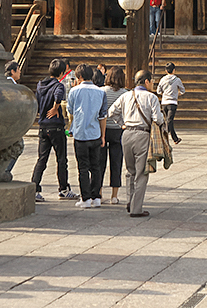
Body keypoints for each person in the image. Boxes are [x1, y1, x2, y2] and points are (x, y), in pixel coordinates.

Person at [107, 70, 164, 218]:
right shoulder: (151, 97)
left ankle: (130, 201)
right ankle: (136, 208)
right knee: (141, 173)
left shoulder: (125, 95)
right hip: (142, 135)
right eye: (151, 81)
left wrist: (122, 124)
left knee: (129, 171)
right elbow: (158, 118)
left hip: (126, 134)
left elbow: (111, 112)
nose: (152, 84)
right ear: (146, 82)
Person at [30, 59, 74, 202]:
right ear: (61, 73)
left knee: (42, 159)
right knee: (61, 159)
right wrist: (55, 107)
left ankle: (34, 187)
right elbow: (58, 96)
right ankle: (63, 189)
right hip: (55, 125)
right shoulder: (58, 85)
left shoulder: (40, 85)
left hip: (43, 125)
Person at [66, 64, 106, 208]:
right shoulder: (101, 92)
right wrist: (103, 135)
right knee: (96, 166)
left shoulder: (74, 91)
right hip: (95, 132)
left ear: (79, 77)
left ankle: (86, 198)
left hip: (80, 133)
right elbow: (103, 115)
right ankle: (96, 196)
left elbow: (70, 109)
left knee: (83, 167)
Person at [100, 66, 128, 205]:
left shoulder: (101, 91)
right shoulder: (126, 93)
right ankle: (114, 195)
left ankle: (98, 192)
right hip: (118, 129)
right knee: (116, 163)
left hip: (103, 130)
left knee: (100, 163)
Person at [156, 62, 183, 144]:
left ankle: (174, 138)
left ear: (166, 70)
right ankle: (165, 136)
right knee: (169, 120)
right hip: (173, 102)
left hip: (164, 102)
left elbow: (158, 91)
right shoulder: (177, 80)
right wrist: (177, 94)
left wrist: (164, 94)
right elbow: (183, 90)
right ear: (174, 70)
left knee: (168, 120)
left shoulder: (162, 79)